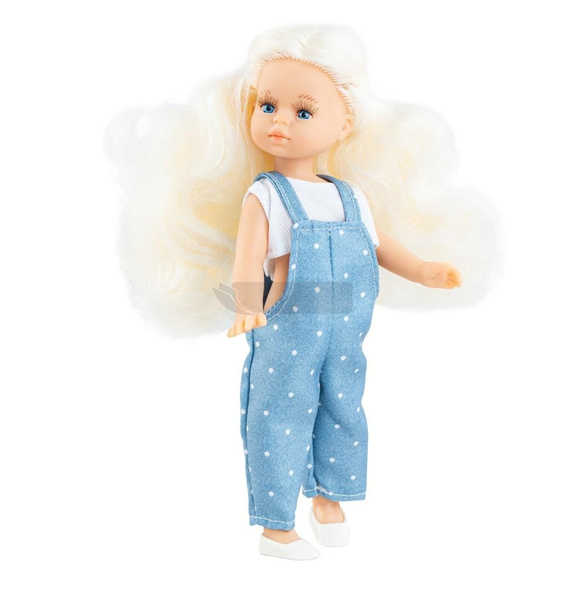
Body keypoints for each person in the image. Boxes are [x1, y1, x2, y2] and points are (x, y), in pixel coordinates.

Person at [104, 23, 498, 561]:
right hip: (288, 326)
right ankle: (276, 528)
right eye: (267, 106)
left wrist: (423, 269)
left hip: (345, 332)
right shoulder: (266, 195)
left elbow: (381, 245)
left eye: (302, 112)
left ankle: (328, 499)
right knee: (277, 419)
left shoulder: (349, 195)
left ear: (345, 124)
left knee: (343, 409)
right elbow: (249, 258)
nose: (279, 121)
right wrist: (248, 305)